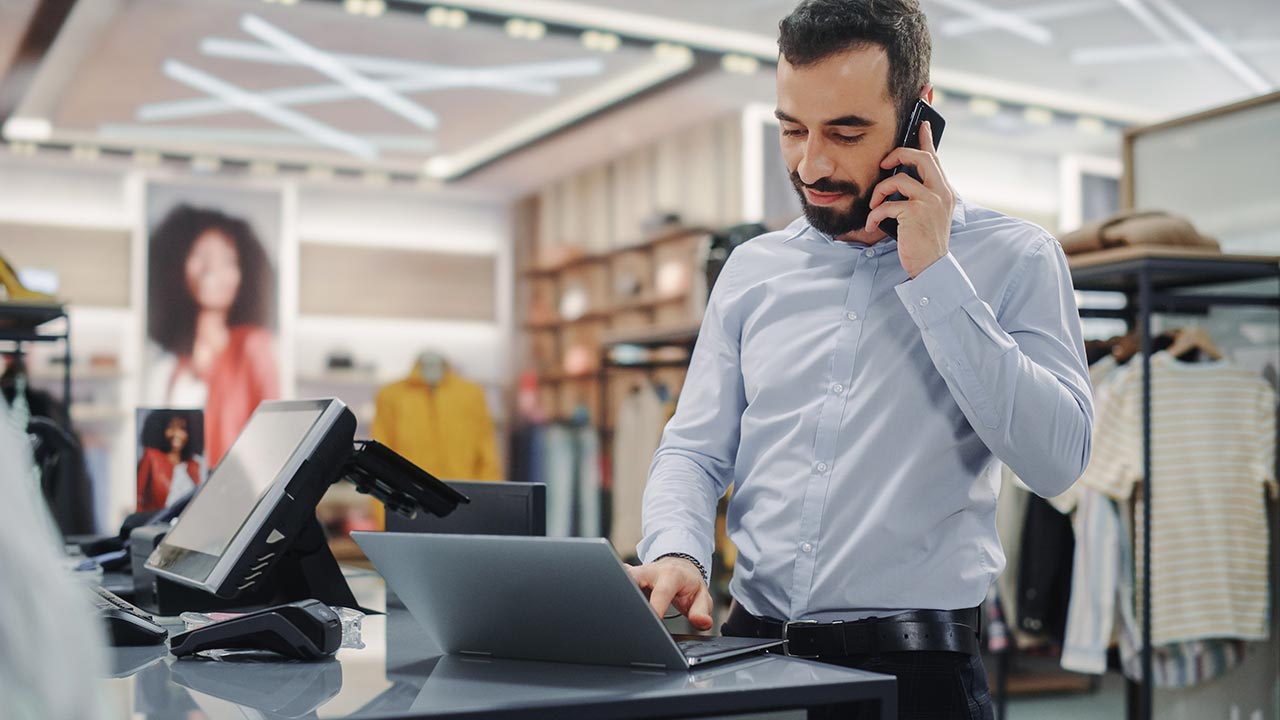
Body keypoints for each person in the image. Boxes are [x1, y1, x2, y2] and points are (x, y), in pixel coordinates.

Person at [625, 1, 1093, 717]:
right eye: (791, 129)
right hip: (752, 655)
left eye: (845, 132)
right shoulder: (753, 271)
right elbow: (692, 449)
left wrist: (935, 274)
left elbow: (1058, 460)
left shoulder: (1016, 259)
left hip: (921, 674)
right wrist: (680, 551)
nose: (811, 163)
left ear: (920, 118)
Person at [146, 203, 279, 467]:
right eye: (201, 255)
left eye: (227, 260)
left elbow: (273, 437)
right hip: (182, 498)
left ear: (244, 273)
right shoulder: (169, 367)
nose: (211, 270)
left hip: (234, 495)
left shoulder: (253, 348)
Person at [136, 409, 203, 512]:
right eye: (171, 427)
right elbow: (138, 496)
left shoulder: (195, 465)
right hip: (158, 523)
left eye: (182, 429)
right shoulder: (152, 457)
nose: (176, 434)